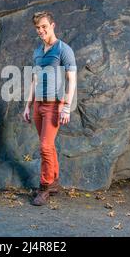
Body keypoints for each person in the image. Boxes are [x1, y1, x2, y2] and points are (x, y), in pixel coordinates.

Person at [23, 11, 77, 206]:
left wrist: (67, 107)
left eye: (44, 26)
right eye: (38, 28)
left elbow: (72, 80)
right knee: (49, 145)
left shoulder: (64, 49)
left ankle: (44, 187)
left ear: (53, 25)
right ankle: (54, 182)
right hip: (38, 104)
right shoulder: (38, 52)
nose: (41, 30)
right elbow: (34, 79)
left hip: (55, 104)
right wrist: (28, 106)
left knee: (45, 147)